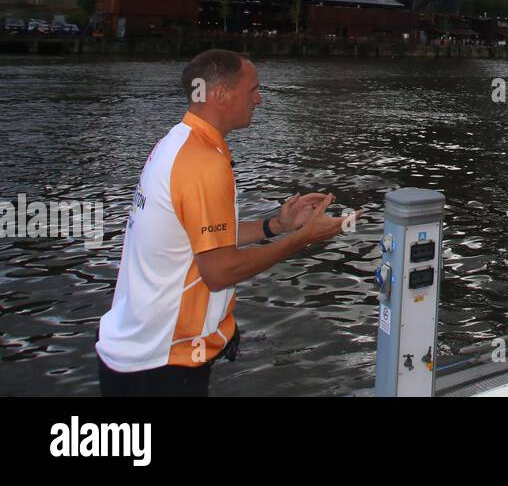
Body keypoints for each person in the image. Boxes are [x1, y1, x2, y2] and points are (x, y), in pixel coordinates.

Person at [96, 49, 356, 396]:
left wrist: (276, 225)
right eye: (252, 90)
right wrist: (302, 239)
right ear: (220, 94)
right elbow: (219, 271)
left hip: (139, 351)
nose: (259, 99)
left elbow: (196, 237)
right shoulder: (204, 163)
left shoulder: (177, 143)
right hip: (162, 362)